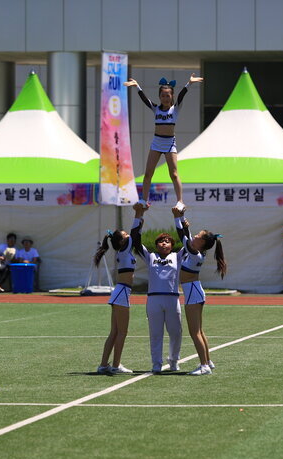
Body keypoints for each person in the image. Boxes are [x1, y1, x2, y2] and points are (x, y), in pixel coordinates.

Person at [124, 73, 204, 211]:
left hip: (169, 143)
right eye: (163, 96)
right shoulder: (156, 109)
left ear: (172, 96)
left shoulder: (175, 109)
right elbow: (145, 99)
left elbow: (181, 96)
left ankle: (180, 201)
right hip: (156, 142)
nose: (165, 98)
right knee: (148, 173)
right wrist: (137, 86)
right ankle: (144, 200)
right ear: (159, 97)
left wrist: (189, 84)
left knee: (174, 174)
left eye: (168, 95)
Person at [172, 206, 226, 376]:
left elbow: (183, 237)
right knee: (199, 331)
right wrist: (182, 217)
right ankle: (207, 361)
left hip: (193, 293)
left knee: (194, 332)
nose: (195, 236)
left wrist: (176, 218)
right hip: (194, 291)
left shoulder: (195, 253)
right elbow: (187, 235)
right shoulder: (196, 252)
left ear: (202, 243)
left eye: (198, 236)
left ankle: (203, 366)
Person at [132, 203, 183, 374]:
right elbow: (136, 240)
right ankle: (156, 363)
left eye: (167, 241)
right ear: (156, 245)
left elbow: (188, 242)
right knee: (155, 333)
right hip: (154, 299)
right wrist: (139, 218)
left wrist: (179, 219)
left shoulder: (177, 257)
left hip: (172, 298)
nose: (164, 243)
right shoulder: (150, 256)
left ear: (172, 245)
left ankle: (174, 360)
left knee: (176, 332)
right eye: (161, 241)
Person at [93, 214, 143, 375]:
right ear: (121, 241)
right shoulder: (124, 249)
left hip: (120, 292)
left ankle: (103, 365)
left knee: (115, 332)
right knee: (122, 332)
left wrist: (141, 219)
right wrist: (139, 215)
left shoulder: (123, 251)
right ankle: (115, 365)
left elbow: (134, 234)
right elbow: (134, 232)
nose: (128, 235)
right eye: (125, 235)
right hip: (122, 293)